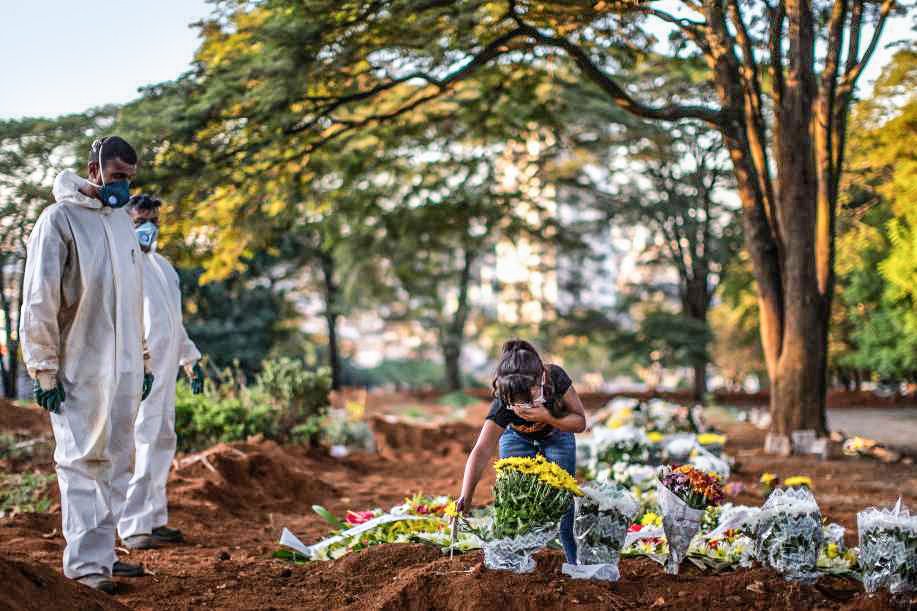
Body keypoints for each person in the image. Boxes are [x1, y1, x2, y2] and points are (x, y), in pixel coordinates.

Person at [19, 136, 155, 593]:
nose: (123, 188)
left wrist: (143, 360)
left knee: (117, 462)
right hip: (78, 367)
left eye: (129, 180)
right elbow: (39, 298)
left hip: (121, 370)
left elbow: (133, 300)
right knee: (82, 464)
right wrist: (42, 367)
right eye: (117, 177)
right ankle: (86, 568)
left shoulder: (119, 223)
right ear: (93, 171)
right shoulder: (59, 220)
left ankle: (104, 554)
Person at [118, 194, 203, 550]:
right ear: (126, 221)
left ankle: (154, 518)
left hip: (166, 368)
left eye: (154, 220)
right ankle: (134, 526)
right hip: (142, 368)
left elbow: (173, 321)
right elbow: (125, 318)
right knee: (144, 439)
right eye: (140, 221)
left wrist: (190, 360)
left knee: (163, 439)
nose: (149, 227)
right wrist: (140, 361)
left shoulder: (164, 268)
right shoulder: (123, 262)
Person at [456, 339, 586, 563]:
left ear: (542, 379)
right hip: (516, 438)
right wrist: (465, 497)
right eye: (516, 403)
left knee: (563, 500)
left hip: (557, 434)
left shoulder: (556, 378)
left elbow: (580, 422)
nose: (523, 407)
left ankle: (573, 559)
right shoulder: (503, 403)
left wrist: (548, 417)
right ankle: (516, 559)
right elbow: (482, 450)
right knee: (514, 498)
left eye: (530, 398)